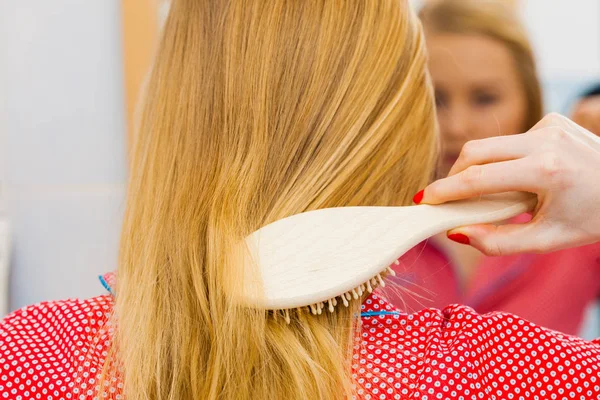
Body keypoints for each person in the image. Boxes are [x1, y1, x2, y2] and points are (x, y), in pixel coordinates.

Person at [1, 2, 600, 400]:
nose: (454, 124)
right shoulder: (498, 369)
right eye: (429, 94)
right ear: (396, 129)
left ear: (167, 117)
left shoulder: (24, 354)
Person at [381, 0, 600, 337]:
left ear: (530, 102)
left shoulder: (582, 223)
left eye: (485, 98)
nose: (457, 126)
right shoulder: (370, 224)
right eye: (434, 100)